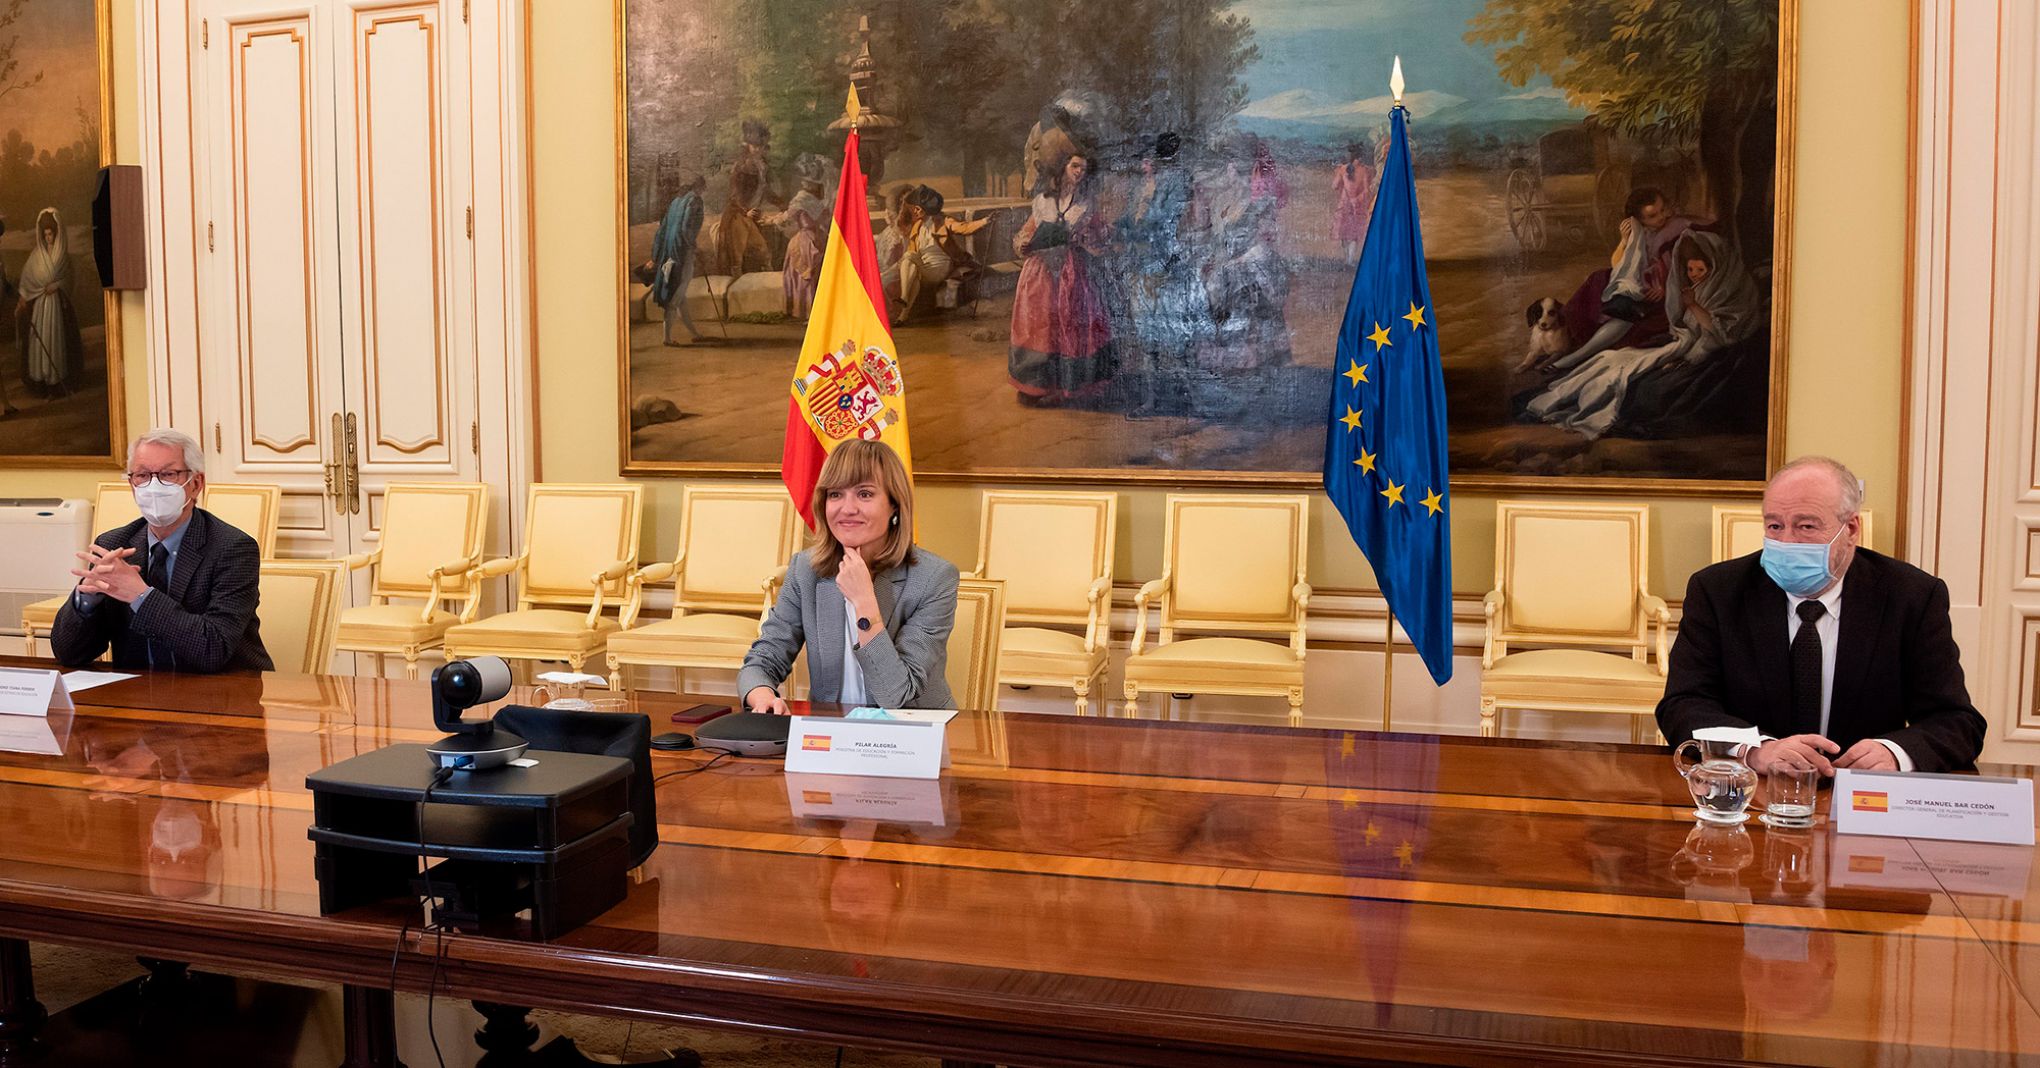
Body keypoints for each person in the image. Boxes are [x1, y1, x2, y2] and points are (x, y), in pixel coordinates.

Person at [1656, 456, 1986, 774]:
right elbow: (1683, 704)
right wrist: (1755, 750)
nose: (1787, 541)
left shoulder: (1911, 597)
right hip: (1752, 790)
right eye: (1775, 525)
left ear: (1851, 529)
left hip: (1859, 793)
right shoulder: (1718, 591)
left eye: (1806, 526)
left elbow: (1957, 722)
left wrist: (1894, 753)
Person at [738, 440, 958, 711]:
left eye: (864, 494)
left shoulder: (934, 578)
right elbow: (763, 659)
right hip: (832, 727)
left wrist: (864, 602)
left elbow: (896, 696)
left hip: (913, 727)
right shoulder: (805, 570)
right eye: (835, 494)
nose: (847, 508)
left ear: (894, 505)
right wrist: (763, 697)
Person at [49, 428, 273, 673]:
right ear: (132, 485)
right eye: (142, 475)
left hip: (225, 688)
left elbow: (213, 649)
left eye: (168, 474)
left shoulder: (232, 548)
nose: (153, 486)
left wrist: (140, 595)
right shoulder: (114, 545)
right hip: (139, 689)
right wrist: (86, 600)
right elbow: (69, 655)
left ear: (196, 484)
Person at [1524, 231, 1760, 441]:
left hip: (1707, 352)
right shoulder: (1695, 285)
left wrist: (1693, 309)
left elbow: (1722, 335)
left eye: (1700, 270)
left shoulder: (1733, 290)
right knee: (1609, 359)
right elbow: (1683, 324)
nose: (1694, 275)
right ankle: (1561, 393)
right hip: (1684, 345)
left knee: (1629, 378)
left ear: (1716, 266)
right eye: (1690, 270)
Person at [1008, 134, 1116, 407]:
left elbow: (1102, 238)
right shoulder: (1042, 201)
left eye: (1083, 168)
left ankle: (1071, 386)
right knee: (1041, 327)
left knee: (1070, 325)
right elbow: (1026, 233)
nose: (1079, 172)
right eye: (1075, 166)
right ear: (1063, 167)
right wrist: (1025, 243)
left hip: (1073, 272)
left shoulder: (1086, 204)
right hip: (1041, 271)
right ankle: (1037, 385)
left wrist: (1084, 240)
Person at [1547, 187, 1703, 374]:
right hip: (1640, 283)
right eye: (1652, 216)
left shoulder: (1675, 230)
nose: (1661, 217)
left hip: (1666, 292)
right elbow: (1619, 264)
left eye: (1662, 210)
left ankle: (1577, 357)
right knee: (1599, 280)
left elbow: (1678, 270)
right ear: (1640, 219)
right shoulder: (1640, 233)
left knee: (1628, 313)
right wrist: (1624, 240)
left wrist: (1662, 287)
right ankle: (1569, 347)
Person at [17, 207, 83, 398]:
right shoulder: (36, 256)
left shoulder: (62, 255)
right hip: (40, 308)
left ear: (56, 233)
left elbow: (69, 279)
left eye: (51, 234)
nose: (48, 238)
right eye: (45, 234)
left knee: (57, 342)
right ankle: (43, 383)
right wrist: (23, 299)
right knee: (40, 342)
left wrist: (57, 285)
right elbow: (27, 280)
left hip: (58, 307)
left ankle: (58, 383)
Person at [646, 173, 706, 345]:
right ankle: (666, 338)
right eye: (703, 187)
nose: (704, 190)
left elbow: (661, 231)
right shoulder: (695, 200)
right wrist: (694, 247)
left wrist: (655, 257)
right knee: (676, 295)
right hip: (682, 253)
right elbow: (687, 228)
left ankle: (694, 333)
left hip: (668, 253)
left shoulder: (675, 202)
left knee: (679, 296)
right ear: (699, 186)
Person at [1331, 140, 1375, 265]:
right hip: (1357, 206)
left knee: (1344, 232)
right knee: (1354, 234)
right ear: (1360, 156)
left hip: (1344, 205)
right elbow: (1367, 190)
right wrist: (1357, 199)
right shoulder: (1364, 170)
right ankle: (1350, 260)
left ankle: (1347, 259)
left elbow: (1334, 186)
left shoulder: (1342, 169)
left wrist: (1337, 172)